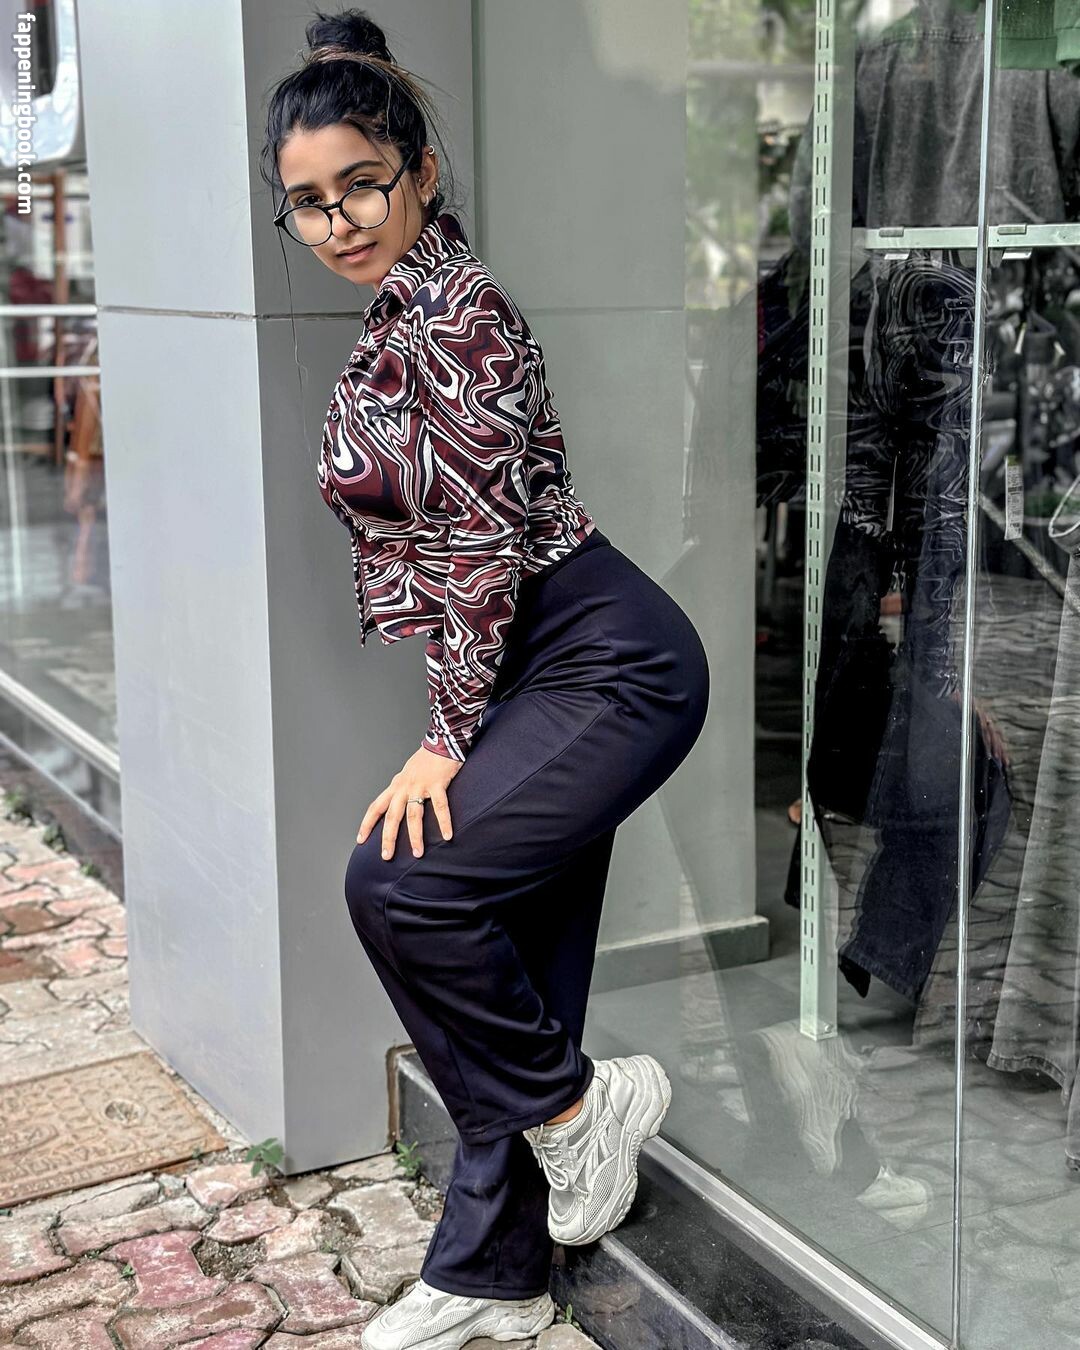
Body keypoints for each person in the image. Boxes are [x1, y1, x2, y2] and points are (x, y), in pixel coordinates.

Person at [261, 10, 711, 1348]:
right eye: (307, 203)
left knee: (399, 885)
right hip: (532, 662)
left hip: (604, 660)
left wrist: (447, 736)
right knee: (518, 962)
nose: (336, 222)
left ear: (418, 172)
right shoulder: (402, 313)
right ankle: (491, 1272)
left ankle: (579, 1110)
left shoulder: (460, 315)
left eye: (360, 185)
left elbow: (478, 543)